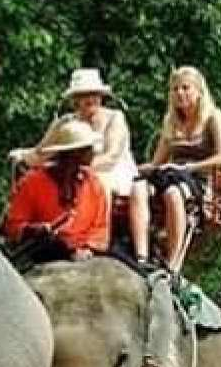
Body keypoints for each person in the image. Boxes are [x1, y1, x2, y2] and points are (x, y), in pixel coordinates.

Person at [10, 68, 149, 262]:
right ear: (75, 99)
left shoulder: (114, 118)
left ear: (101, 96)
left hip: (110, 170)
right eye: (83, 95)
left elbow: (111, 156)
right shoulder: (65, 123)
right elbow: (42, 151)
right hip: (73, 173)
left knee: (103, 185)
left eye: (93, 94)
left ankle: (120, 250)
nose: (89, 99)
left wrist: (82, 167)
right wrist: (21, 156)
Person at [141, 66, 221, 272]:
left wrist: (190, 167)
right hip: (172, 174)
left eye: (185, 88)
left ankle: (173, 263)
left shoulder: (213, 118)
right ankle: (141, 254)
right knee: (139, 189)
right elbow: (156, 163)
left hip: (199, 179)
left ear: (199, 91)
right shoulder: (171, 122)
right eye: (175, 89)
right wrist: (131, 169)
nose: (180, 93)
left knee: (173, 193)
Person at [2, 119, 110, 262]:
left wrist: (88, 248)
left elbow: (101, 228)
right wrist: (35, 230)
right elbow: (13, 226)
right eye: (87, 149)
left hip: (86, 252)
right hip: (45, 248)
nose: (93, 153)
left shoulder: (94, 183)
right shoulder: (32, 182)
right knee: (53, 245)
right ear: (73, 153)